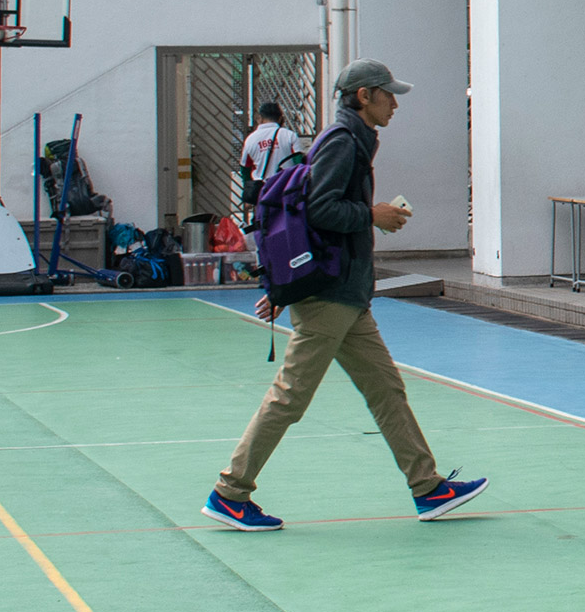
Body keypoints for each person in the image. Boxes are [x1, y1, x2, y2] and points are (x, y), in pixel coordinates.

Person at [203, 60, 488, 531]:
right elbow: (321, 209)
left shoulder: (352, 139)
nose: (394, 104)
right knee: (290, 397)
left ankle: (428, 486)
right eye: (388, 95)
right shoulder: (341, 141)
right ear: (363, 96)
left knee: (386, 390)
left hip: (348, 297)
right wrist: (372, 215)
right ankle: (230, 493)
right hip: (331, 298)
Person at [238, 102, 301, 213]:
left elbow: (245, 169)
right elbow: (300, 163)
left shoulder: (250, 140)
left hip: (262, 193)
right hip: (287, 191)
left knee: (264, 224)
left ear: (260, 118)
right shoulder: (289, 135)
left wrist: (248, 192)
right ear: (281, 118)